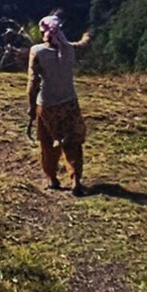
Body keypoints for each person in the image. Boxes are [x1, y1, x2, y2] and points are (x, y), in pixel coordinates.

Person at [26, 10, 91, 196]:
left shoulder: (37, 51)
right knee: (73, 141)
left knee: (47, 142)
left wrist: (31, 107)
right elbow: (82, 44)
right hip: (70, 101)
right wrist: (88, 34)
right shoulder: (69, 48)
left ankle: (52, 179)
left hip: (46, 104)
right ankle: (75, 179)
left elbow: (33, 82)